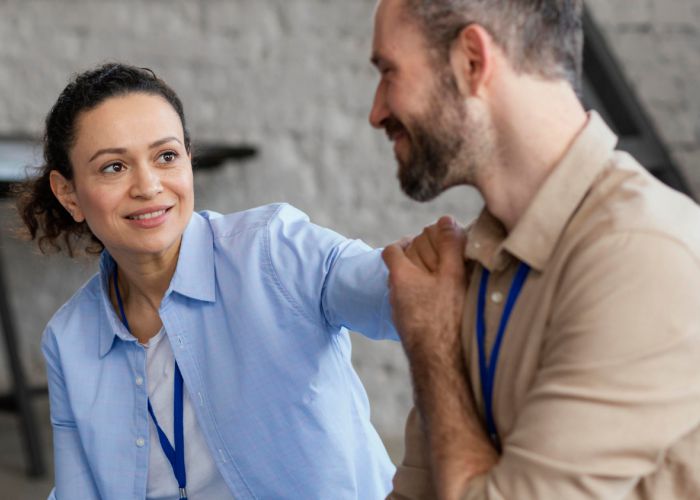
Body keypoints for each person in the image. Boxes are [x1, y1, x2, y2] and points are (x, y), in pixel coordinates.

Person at [15, 63, 399, 500]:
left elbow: (386, 286)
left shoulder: (272, 252)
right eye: (114, 167)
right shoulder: (69, 340)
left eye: (166, 156)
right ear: (69, 194)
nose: (148, 186)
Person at [368, 0, 700, 499]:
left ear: (471, 61)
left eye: (389, 71)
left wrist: (432, 346)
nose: (376, 113)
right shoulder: (468, 266)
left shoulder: (641, 256)